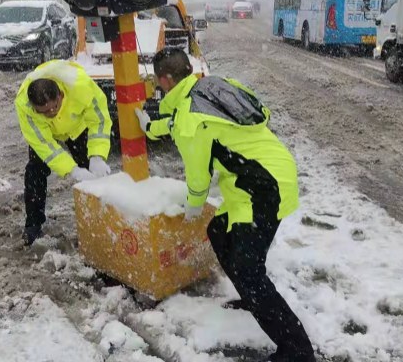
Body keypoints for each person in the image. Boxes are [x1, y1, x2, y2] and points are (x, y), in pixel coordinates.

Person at [135, 48, 315, 362]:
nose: (156, 86)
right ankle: (252, 295)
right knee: (219, 232)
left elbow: (198, 178)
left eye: (156, 81)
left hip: (263, 188)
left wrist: (192, 205)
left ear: (164, 79)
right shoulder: (212, 85)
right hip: (262, 175)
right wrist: (151, 128)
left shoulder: (192, 115)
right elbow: (189, 123)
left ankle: (297, 349)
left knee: (248, 270)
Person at [15, 60, 113, 246]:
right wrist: (71, 170)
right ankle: (33, 225)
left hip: (77, 126)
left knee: (92, 174)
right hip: (47, 132)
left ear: (60, 95)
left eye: (54, 107)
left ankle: (101, 221)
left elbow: (99, 120)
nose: (51, 113)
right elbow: (45, 146)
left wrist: (97, 155)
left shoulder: (80, 86)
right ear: (33, 107)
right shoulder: (24, 106)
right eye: (44, 111)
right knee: (35, 171)